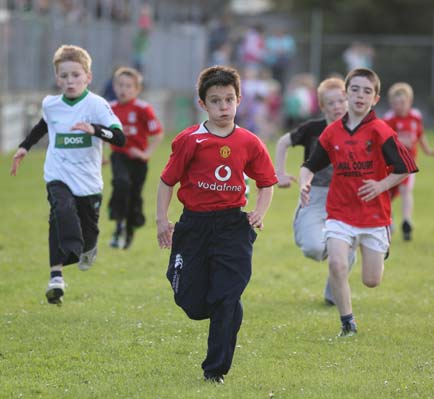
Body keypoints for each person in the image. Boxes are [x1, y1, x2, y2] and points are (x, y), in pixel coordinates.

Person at [156, 66, 277, 383]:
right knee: (192, 303)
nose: (224, 107)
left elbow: (267, 183)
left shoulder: (250, 142)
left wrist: (259, 212)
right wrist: (162, 220)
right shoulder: (189, 140)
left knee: (227, 297)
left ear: (239, 100)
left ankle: (215, 370)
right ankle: (221, 308)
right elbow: (167, 181)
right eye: (215, 101)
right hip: (194, 226)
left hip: (232, 227)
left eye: (229, 99)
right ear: (203, 104)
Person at [300, 68, 418, 337]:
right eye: (355, 89)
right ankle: (347, 323)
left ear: (375, 99)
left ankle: (381, 246)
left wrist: (381, 185)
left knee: (371, 280)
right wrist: (305, 182)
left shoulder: (380, 131)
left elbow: (406, 167)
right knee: (337, 264)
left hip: (374, 215)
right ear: (346, 93)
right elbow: (310, 165)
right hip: (340, 211)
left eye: (367, 91)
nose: (360, 95)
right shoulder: (331, 133)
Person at [10, 44, 125, 305]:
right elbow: (43, 125)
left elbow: (120, 137)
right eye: (64, 76)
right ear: (57, 78)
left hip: (88, 182)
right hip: (58, 173)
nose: (70, 81)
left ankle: (84, 249)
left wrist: (94, 130)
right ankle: (56, 276)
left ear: (88, 76)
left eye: (75, 75)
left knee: (87, 232)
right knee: (60, 212)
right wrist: (24, 147)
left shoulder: (97, 105)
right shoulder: (51, 104)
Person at [275, 77, 353, 305]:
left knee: (347, 250)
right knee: (313, 248)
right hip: (314, 195)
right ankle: (336, 244)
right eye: (331, 103)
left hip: (344, 197)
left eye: (341, 101)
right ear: (322, 107)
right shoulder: (313, 129)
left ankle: (333, 294)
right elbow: (282, 142)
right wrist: (279, 173)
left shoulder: (356, 129)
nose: (337, 106)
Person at [108, 67, 163, 249]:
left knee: (134, 195)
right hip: (119, 155)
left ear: (137, 89)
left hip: (138, 161)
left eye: (129, 86)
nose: (124, 89)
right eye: (120, 85)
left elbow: (158, 133)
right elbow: (103, 134)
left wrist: (146, 153)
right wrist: (100, 156)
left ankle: (129, 233)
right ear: (115, 87)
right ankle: (117, 227)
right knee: (121, 183)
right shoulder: (110, 108)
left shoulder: (143, 108)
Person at [383, 82, 434, 241]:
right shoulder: (389, 118)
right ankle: (388, 220)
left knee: (406, 191)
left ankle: (407, 221)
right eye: (395, 103)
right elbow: (383, 140)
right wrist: (399, 140)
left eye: (402, 102)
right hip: (390, 165)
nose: (398, 106)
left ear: (410, 101)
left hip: (408, 165)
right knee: (387, 195)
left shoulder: (415, 116)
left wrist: (427, 150)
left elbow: (420, 134)